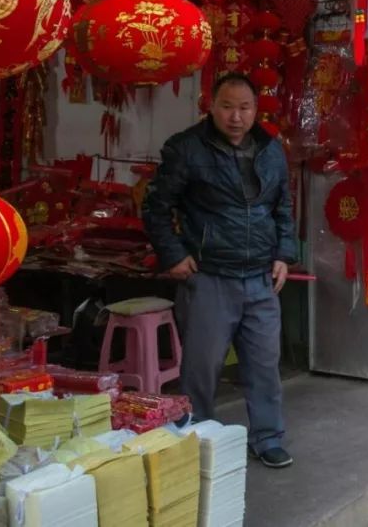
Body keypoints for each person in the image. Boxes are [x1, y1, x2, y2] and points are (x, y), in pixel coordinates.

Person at [143, 73, 298, 468]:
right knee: (202, 367)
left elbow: (281, 207)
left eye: (245, 108)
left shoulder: (270, 148)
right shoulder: (186, 148)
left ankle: (267, 437)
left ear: (255, 110)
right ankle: (200, 436)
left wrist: (284, 253)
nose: (236, 117)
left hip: (261, 278)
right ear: (210, 105)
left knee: (264, 365)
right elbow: (156, 207)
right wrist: (173, 255)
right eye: (227, 106)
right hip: (210, 275)